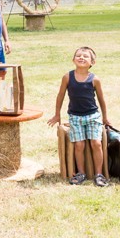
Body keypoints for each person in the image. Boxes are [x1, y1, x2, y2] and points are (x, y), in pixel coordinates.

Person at [46, 46, 110, 187]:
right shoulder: (67, 77)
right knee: (79, 145)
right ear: (73, 59)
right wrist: (57, 114)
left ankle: (99, 174)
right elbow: (60, 96)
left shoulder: (95, 79)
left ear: (92, 62)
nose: (81, 57)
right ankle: (81, 173)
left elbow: (101, 100)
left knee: (96, 143)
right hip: (75, 117)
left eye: (85, 56)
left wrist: (105, 118)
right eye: (78, 55)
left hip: (93, 116)